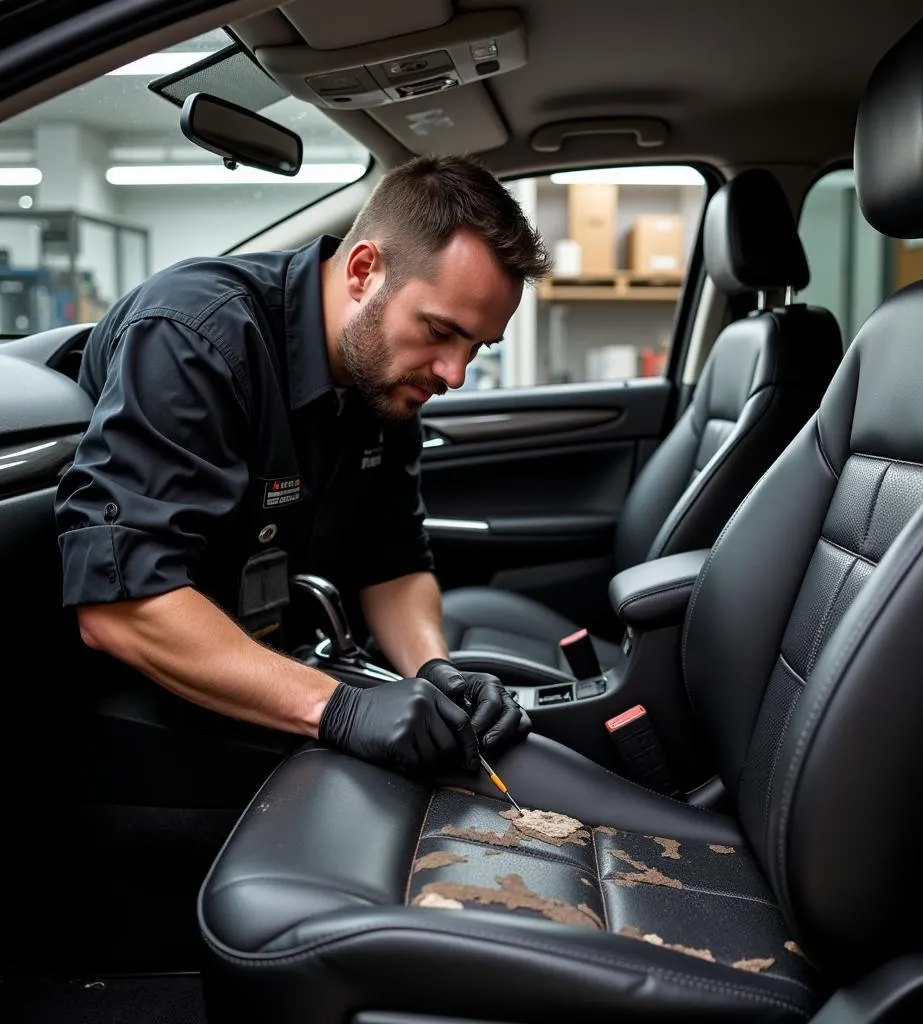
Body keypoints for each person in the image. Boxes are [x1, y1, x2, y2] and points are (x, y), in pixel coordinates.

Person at [54, 154, 552, 775]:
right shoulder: (198, 337)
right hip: (139, 695)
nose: (455, 373)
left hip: (273, 658)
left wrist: (434, 670)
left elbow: (393, 563)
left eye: (475, 347)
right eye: (440, 330)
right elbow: (122, 607)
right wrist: (340, 711)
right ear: (364, 270)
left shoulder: (383, 382)